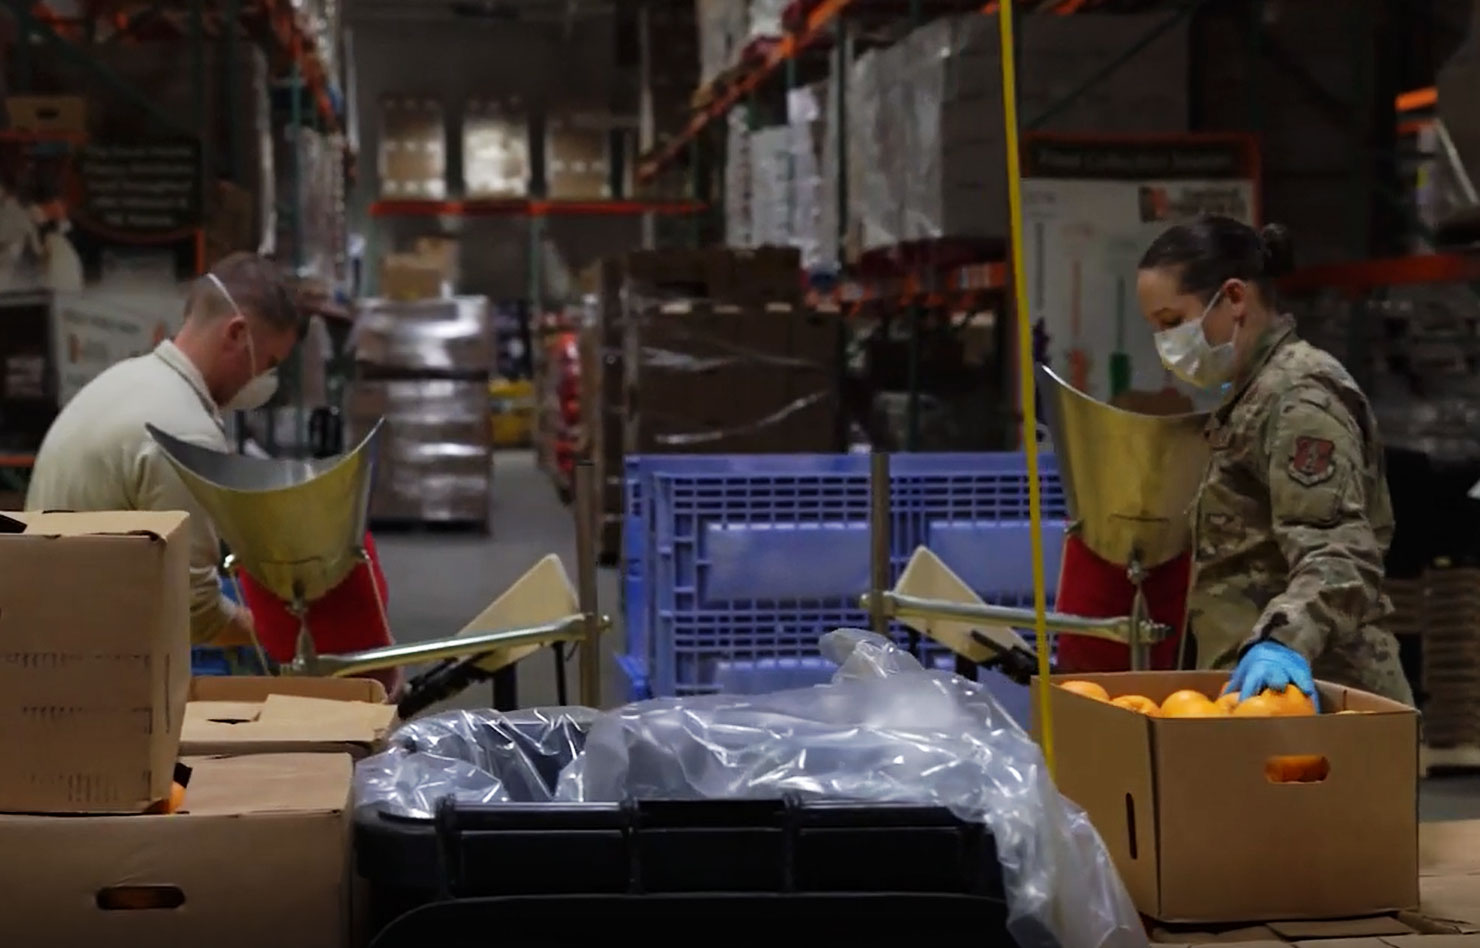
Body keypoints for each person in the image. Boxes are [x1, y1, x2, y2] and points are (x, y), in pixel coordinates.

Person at [1133, 215, 1412, 706]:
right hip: (1257, 698)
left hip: (1317, 695)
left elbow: (1340, 555)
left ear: (1235, 298)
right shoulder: (1250, 396)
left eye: (1173, 323)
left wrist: (1280, 646)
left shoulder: (1300, 399)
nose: (1166, 347)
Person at [26, 252, 299, 648]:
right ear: (237, 335)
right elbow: (195, 612)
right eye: (268, 362)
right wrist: (282, 636)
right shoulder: (185, 433)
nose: (262, 380)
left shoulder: (122, 381)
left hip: (43, 644)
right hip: (93, 671)